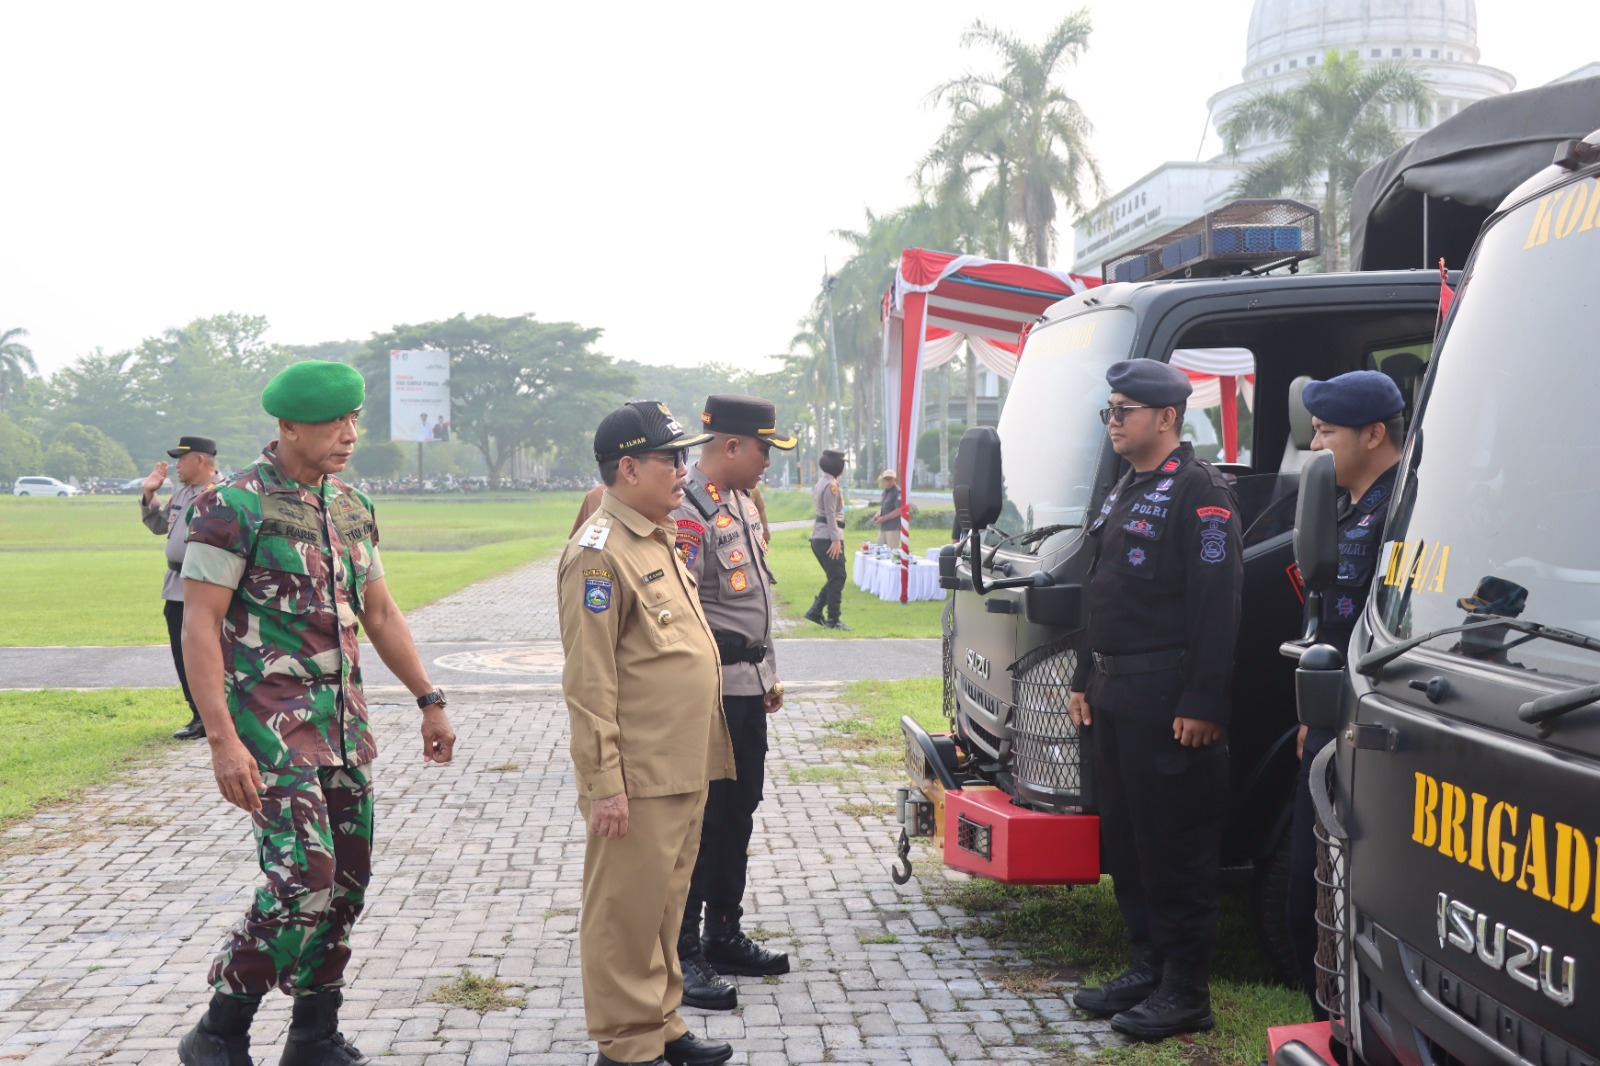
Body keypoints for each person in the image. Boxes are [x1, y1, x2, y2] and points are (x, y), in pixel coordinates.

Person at [176, 360, 458, 1066]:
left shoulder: (352, 505)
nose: (350, 433)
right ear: (288, 426)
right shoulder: (232, 506)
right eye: (335, 422)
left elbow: (382, 611)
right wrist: (221, 741)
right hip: (270, 733)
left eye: (355, 419)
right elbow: (200, 627)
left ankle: (313, 1033)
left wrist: (430, 699)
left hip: (343, 728)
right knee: (304, 881)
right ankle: (220, 1028)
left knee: (347, 885)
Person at [1066, 360, 1243, 1040]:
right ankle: (1148, 965)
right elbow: (1103, 590)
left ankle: (1186, 990)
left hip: (1166, 696)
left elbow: (1216, 607)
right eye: (1109, 410)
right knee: (1131, 844)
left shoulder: (1199, 493)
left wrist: (1203, 701)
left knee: (1175, 845)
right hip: (1114, 692)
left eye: (1124, 410)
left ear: (1166, 418)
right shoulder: (1125, 488)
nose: (1113, 421)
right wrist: (1084, 675)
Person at [558, 400, 737, 1066]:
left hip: (680, 764)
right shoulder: (599, 555)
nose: (685, 469)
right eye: (672, 458)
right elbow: (590, 679)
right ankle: (627, 1045)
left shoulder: (653, 537)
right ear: (628, 468)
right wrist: (604, 783)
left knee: (664, 907)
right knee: (625, 914)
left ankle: (662, 1023)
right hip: (636, 773)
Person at [669, 396, 795, 1012]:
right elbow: (686, 610)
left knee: (739, 812)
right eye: (765, 449)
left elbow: (756, 599)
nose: (768, 462)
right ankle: (684, 952)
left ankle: (723, 932)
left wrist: (768, 672)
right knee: (705, 820)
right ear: (733, 446)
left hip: (747, 687)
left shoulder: (741, 503)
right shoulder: (688, 510)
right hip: (710, 694)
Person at [1286, 369, 1406, 1017]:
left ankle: (1341, 1022)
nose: (1313, 446)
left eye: (1326, 432)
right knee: (1311, 898)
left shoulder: (1402, 513)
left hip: (1368, 733)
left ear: (1374, 434)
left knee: (1342, 896)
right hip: (1330, 718)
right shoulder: (1348, 506)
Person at [139, 435, 218, 740]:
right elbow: (159, 525)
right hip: (177, 586)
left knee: (215, 652)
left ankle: (224, 713)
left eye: (181, 459)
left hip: (210, 584)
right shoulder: (182, 493)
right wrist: (149, 493)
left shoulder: (223, 492)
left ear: (199, 460)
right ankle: (199, 715)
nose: (176, 465)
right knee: (182, 652)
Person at [805, 449, 850, 630]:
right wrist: (836, 540)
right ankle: (833, 620)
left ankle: (815, 611)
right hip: (828, 538)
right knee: (838, 577)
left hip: (819, 537)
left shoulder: (822, 482)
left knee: (835, 577)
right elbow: (831, 515)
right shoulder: (831, 485)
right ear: (838, 466)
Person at [872, 470, 901, 547]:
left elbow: (899, 510)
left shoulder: (897, 492)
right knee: (879, 549)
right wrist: (878, 514)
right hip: (884, 527)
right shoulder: (886, 491)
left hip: (893, 527)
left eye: (890, 479)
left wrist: (884, 518)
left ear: (895, 480)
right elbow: (884, 506)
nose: (888, 482)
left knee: (892, 551)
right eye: (886, 479)